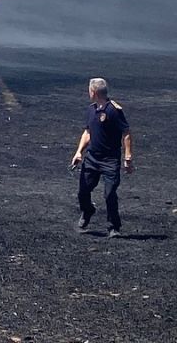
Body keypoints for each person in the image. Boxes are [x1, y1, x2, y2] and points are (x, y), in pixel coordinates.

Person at [69, 77, 133, 236]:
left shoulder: (113, 110)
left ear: (94, 92)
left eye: (89, 90)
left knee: (110, 193)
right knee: (83, 191)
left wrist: (127, 157)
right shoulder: (91, 110)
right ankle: (88, 210)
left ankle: (114, 227)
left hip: (110, 160)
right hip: (92, 158)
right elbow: (88, 132)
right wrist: (79, 152)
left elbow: (126, 133)